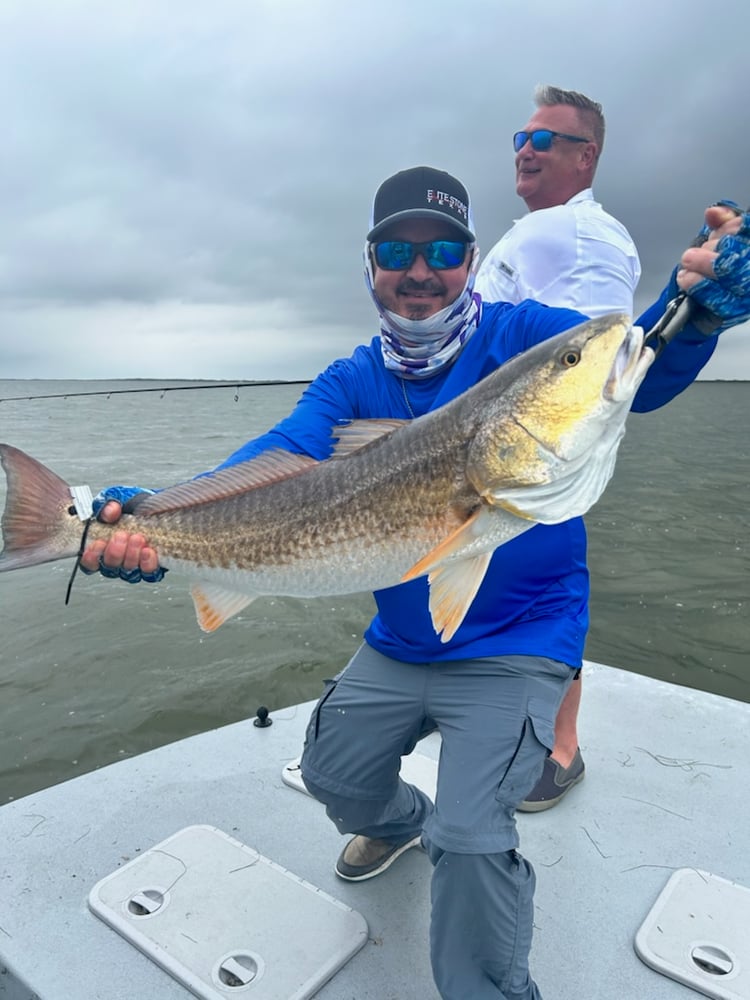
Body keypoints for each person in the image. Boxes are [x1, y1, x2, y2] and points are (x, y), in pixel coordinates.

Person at [80, 166, 750, 1000]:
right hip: (402, 640)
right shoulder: (352, 379)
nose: (420, 270)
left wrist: (697, 315)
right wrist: (152, 516)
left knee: (472, 838)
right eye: (397, 250)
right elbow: (274, 457)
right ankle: (399, 827)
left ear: (471, 259)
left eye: (443, 251)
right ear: (370, 265)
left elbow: (628, 358)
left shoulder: (528, 335)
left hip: (520, 639)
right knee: (331, 774)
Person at [475, 84, 642, 811]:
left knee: (545, 585)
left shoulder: (577, 235)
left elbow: (591, 357)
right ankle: (524, 731)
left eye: (544, 139)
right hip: (493, 453)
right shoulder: (539, 231)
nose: (524, 148)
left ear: (586, 155)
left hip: (521, 453)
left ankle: (560, 748)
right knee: (510, 583)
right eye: (520, 136)